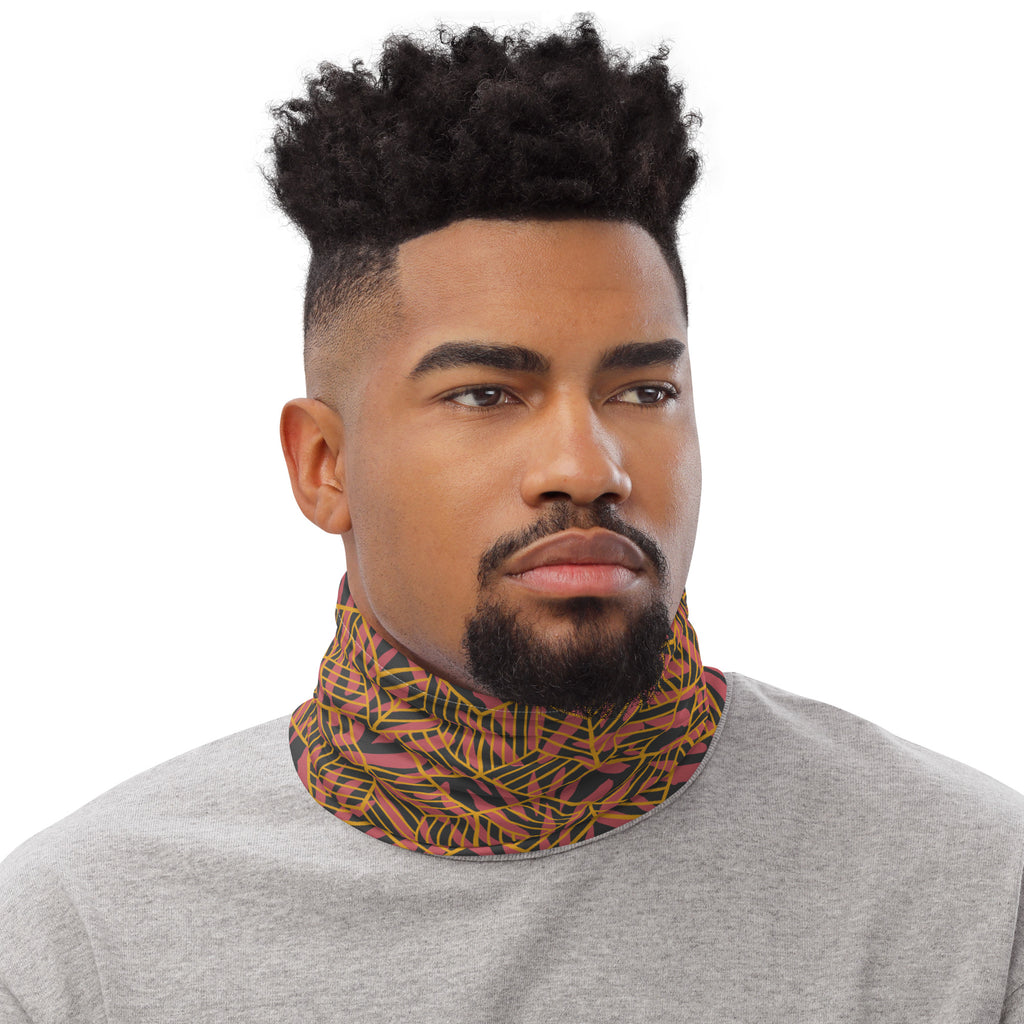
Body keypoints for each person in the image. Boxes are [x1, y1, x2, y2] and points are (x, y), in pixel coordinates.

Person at [1, 16, 1021, 1023]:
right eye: (486, 394)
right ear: (323, 466)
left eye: (644, 392)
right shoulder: (76, 946)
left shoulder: (972, 900)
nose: (588, 466)